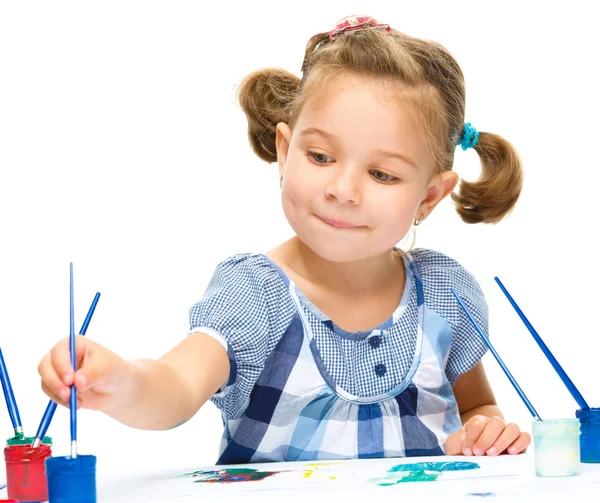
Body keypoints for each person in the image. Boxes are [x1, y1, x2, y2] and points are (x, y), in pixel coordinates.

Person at [38, 15, 529, 464]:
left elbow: (477, 406)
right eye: (320, 157)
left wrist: (483, 433)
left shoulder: (444, 294)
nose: (342, 190)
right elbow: (177, 386)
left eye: (381, 174)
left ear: (430, 196)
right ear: (284, 149)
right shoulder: (254, 295)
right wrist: (123, 383)